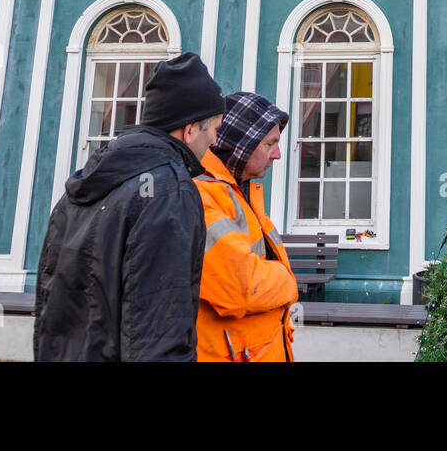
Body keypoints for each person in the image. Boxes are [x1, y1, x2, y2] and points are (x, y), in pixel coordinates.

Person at [34, 51, 224, 361]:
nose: (215, 141)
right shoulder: (169, 190)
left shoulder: (83, 183)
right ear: (189, 130)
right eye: (214, 128)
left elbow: (52, 309)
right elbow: (160, 328)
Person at [194, 91, 298, 362]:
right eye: (269, 144)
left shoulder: (241, 193)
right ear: (241, 145)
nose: (277, 154)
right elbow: (239, 287)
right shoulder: (204, 195)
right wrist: (287, 280)